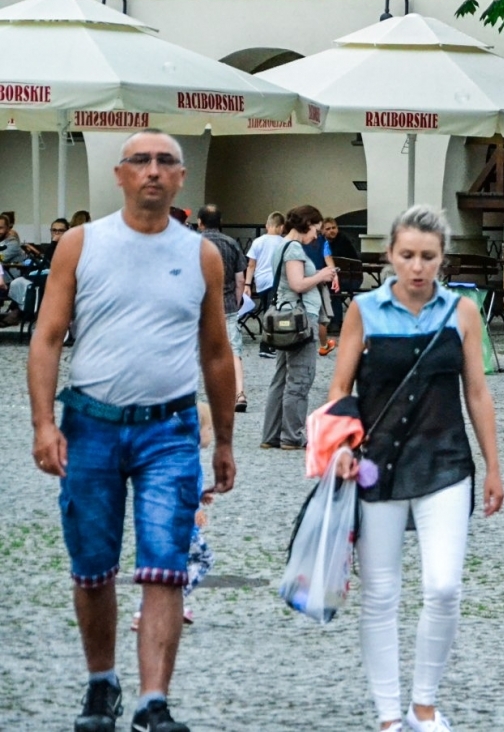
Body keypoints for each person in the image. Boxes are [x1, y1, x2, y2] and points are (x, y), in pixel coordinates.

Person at [28, 131, 237, 732]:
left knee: (163, 565)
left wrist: (223, 439)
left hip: (168, 429)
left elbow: (217, 352)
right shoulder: (82, 244)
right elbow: (46, 337)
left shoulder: (201, 254)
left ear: (180, 178)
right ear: (119, 175)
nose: (152, 171)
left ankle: (153, 701)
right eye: (140, 161)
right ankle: (102, 685)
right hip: (90, 424)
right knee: (92, 566)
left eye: (165, 162)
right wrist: (44, 423)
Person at [328, 204, 504, 732]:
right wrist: (340, 444)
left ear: (442, 259)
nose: (417, 266)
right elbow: (340, 387)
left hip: (445, 460)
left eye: (428, 256)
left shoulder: (463, 313)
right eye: (407, 255)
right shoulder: (364, 309)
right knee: (381, 593)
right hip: (375, 464)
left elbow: (477, 391)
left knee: (444, 586)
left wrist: (494, 465)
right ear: (390, 256)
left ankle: (424, 703)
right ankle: (387, 712)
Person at [261, 205, 336, 450]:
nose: (317, 235)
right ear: (306, 224)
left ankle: (271, 435)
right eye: (315, 229)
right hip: (300, 319)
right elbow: (298, 283)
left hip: (285, 317)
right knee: (300, 378)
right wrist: (322, 275)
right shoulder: (293, 248)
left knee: (281, 377)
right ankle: (292, 436)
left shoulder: (281, 245)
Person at [196, 206, 248, 413]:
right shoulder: (231, 244)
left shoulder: (193, 245)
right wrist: (235, 302)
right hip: (226, 306)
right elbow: (240, 279)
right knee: (234, 351)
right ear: (221, 222)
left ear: (200, 222)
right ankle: (239, 393)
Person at [246, 212, 286, 359]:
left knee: (266, 311)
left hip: (261, 281)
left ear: (267, 225)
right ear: (281, 227)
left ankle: (269, 343)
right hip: (275, 281)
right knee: (273, 313)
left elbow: (251, 265)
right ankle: (267, 344)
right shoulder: (283, 242)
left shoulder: (257, 241)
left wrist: (248, 284)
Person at [301, 214, 338, 355]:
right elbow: (328, 259)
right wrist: (334, 275)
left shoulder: (297, 241)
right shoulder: (323, 241)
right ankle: (323, 345)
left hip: (300, 277)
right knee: (321, 315)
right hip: (318, 278)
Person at [322, 217, 362, 319]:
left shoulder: (343, 241)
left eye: (333, 228)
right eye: (328, 229)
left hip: (350, 278)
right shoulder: (322, 243)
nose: (331, 231)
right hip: (338, 277)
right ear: (322, 231)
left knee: (333, 288)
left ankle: (335, 321)